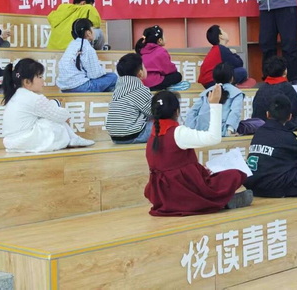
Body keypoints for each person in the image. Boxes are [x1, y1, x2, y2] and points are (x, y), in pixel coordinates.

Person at [144, 85, 253, 216]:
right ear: (177, 111)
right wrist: (215, 105)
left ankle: (220, 201)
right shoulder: (178, 133)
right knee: (235, 174)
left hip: (163, 197)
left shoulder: (152, 135)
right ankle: (220, 201)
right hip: (185, 191)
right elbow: (214, 138)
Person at [244, 95, 297, 197]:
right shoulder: (287, 136)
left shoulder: (259, 132)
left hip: (252, 185)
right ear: (289, 117)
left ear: (267, 114)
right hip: (272, 188)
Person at [1, 58, 94, 152]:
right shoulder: (34, 98)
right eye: (40, 77)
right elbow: (61, 116)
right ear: (27, 82)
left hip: (11, 142)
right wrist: (64, 113)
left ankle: (73, 138)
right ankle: (73, 138)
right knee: (52, 120)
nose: (43, 81)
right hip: (25, 141)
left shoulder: (16, 95)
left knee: (49, 115)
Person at [252, 56, 297, 130]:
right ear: (285, 71)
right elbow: (295, 110)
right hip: (283, 125)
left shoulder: (261, 88)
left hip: (261, 125)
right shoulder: (287, 86)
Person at [57, 18, 117, 93]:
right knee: (113, 77)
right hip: (82, 87)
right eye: (93, 29)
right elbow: (95, 74)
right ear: (88, 33)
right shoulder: (87, 47)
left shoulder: (72, 44)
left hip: (64, 89)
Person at [185, 63, 244, 136]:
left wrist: (191, 130)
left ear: (214, 78)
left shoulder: (206, 92)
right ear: (232, 78)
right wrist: (229, 131)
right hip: (222, 131)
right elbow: (235, 112)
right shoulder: (237, 93)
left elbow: (192, 112)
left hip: (200, 131)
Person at [106, 53, 153, 144]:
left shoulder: (118, 89)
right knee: (163, 124)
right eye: (144, 66)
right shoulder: (139, 89)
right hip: (133, 135)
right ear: (140, 73)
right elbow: (152, 111)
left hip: (115, 138)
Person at [135, 25, 190, 91]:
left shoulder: (141, 50)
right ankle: (169, 87)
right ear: (160, 40)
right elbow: (169, 69)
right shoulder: (161, 51)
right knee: (177, 76)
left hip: (143, 83)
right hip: (155, 83)